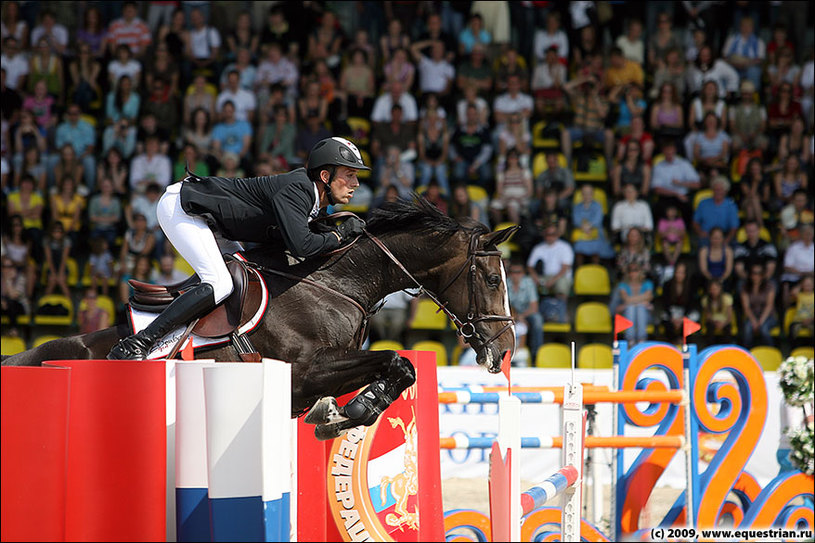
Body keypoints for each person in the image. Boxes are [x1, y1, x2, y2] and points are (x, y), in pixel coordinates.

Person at [107, 137, 370, 360]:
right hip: (185, 207)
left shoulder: (311, 201)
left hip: (213, 224)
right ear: (325, 176)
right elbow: (302, 246)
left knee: (241, 275)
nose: (355, 184)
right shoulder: (298, 189)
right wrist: (338, 235)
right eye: (349, 175)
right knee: (220, 283)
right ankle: (140, 341)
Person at [526, 223, 574, 323]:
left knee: (562, 285)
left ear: (557, 235)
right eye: (547, 234)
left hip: (560, 276)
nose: (549, 237)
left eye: (552, 234)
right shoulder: (539, 248)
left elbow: (565, 268)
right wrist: (535, 278)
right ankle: (535, 313)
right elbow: (530, 266)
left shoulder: (565, 247)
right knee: (528, 282)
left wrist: (552, 281)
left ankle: (560, 313)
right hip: (543, 277)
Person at [507, 259, 543, 360]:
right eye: (512, 272)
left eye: (518, 272)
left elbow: (534, 307)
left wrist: (521, 317)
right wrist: (515, 316)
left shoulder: (529, 283)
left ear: (523, 273)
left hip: (527, 313)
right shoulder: (505, 283)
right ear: (509, 274)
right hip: (510, 313)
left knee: (537, 320)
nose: (515, 275)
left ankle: (536, 354)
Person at [613, 262, 654, 346]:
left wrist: (631, 302)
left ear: (640, 271)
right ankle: (630, 340)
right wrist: (641, 300)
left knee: (639, 307)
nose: (633, 273)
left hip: (646, 316)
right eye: (630, 271)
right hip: (628, 314)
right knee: (631, 307)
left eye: (635, 270)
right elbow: (626, 299)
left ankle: (641, 339)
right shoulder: (623, 285)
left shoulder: (648, 283)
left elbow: (649, 297)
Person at [739, 262, 778, 348]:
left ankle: (771, 351)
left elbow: (769, 306)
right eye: (754, 273)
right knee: (747, 329)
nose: (756, 276)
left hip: (768, 316)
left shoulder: (770, 286)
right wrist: (754, 321)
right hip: (752, 316)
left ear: (763, 275)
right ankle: (747, 353)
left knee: (764, 329)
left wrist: (760, 321)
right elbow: (746, 307)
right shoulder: (745, 287)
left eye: (759, 273)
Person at [660, 261, 699, 345]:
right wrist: (672, 318)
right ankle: (673, 341)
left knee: (690, 321)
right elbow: (665, 303)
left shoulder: (691, 285)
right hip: (671, 311)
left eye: (682, 273)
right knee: (666, 320)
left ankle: (685, 342)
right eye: (678, 272)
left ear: (685, 274)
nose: (679, 275)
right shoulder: (667, 284)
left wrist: (682, 318)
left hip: (685, 312)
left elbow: (691, 304)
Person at [701, 278, 734, 345]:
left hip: (725, 321)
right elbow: (707, 316)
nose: (714, 291)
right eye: (712, 289)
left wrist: (723, 323)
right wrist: (715, 323)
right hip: (712, 321)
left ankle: (726, 349)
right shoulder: (706, 300)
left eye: (715, 289)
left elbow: (730, 316)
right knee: (709, 328)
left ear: (720, 289)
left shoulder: (727, 298)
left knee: (728, 330)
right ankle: (710, 349)